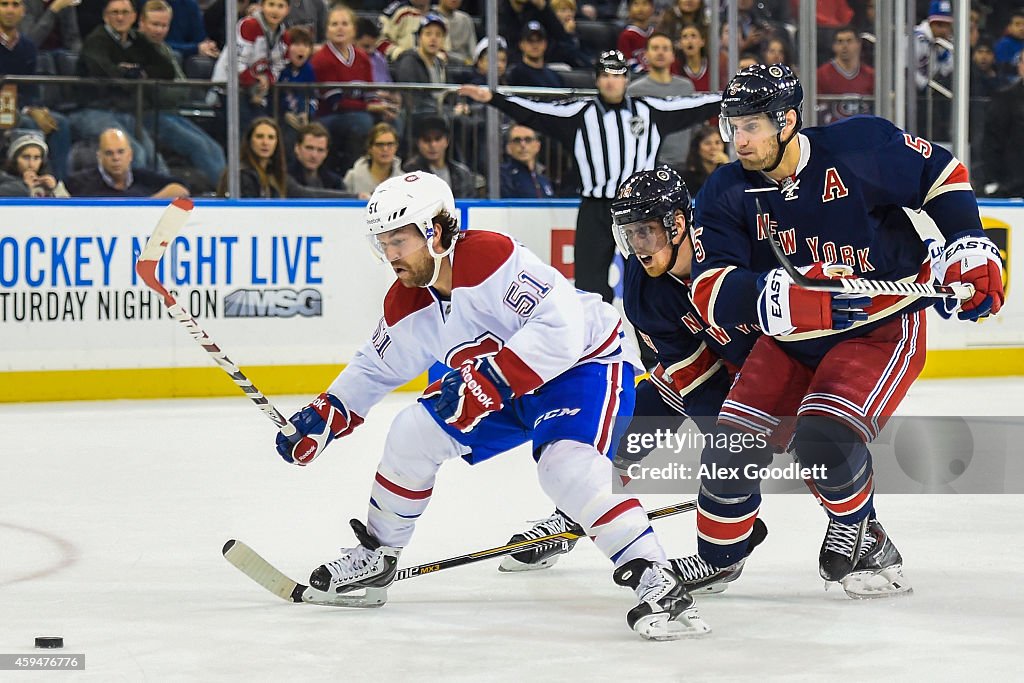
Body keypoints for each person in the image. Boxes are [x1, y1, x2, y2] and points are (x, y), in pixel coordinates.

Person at [274, 169, 711, 640]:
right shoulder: (407, 301)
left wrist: (488, 383)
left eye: (399, 240)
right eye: (383, 242)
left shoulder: (487, 256)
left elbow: (560, 329)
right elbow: (374, 367)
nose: (390, 254)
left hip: (581, 367)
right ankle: (378, 555)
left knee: (564, 466)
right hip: (502, 388)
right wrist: (326, 414)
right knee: (411, 434)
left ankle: (656, 578)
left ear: (435, 232)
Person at [687, 63, 1003, 597]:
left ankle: (865, 538)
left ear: (787, 121)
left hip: (876, 328)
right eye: (730, 127)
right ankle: (720, 559)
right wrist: (768, 294)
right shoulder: (725, 190)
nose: (737, 141)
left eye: (751, 127)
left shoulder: (858, 145)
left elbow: (942, 174)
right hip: (789, 339)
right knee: (728, 451)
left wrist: (967, 241)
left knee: (822, 436)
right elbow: (708, 287)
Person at [498, 166, 765, 582]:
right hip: (709, 372)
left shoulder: (730, 246)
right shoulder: (642, 287)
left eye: (647, 232)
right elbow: (697, 385)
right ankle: (575, 513)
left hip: (772, 366)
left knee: (816, 449)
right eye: (630, 234)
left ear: (678, 225)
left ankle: (863, 534)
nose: (639, 247)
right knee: (625, 432)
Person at [458, 49, 720, 303]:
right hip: (595, 208)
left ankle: (652, 347)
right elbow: (534, 111)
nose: (611, 80)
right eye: (605, 75)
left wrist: (731, 97)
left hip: (642, 210)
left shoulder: (649, 110)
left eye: (617, 74)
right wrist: (493, 98)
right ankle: (596, 344)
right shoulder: (579, 114)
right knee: (588, 284)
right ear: (597, 79)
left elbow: (694, 105)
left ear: (627, 79)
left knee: (648, 280)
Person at [137, 0, 227, 187]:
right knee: (199, 146)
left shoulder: (166, 50)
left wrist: (169, 90)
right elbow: (155, 93)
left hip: (170, 112)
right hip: (148, 115)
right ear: (142, 23)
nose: (159, 30)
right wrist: (170, 90)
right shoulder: (136, 48)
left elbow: (183, 88)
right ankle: (225, 193)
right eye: (154, 24)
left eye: (164, 25)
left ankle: (228, 191)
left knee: (214, 147)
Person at [312, 5, 393, 176]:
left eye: (344, 23)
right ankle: (355, 174)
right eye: (334, 24)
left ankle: (388, 174)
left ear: (353, 29)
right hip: (328, 116)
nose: (340, 28)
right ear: (326, 30)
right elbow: (336, 102)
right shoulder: (322, 59)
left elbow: (370, 93)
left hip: (358, 112)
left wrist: (382, 107)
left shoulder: (362, 56)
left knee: (393, 121)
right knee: (361, 121)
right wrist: (369, 108)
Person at [0, 0, 72, 179]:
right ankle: (24, 182)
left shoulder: (28, 46)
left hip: (17, 106)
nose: (10, 10)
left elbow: (30, 89)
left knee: (59, 123)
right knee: (29, 125)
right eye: (4, 4)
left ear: (23, 11)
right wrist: (28, 111)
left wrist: (36, 109)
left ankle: (57, 183)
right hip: (4, 108)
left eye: (15, 5)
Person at [216, 117, 351, 198]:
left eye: (271, 137)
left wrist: (356, 197)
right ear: (250, 140)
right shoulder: (241, 174)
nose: (265, 142)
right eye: (259, 137)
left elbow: (305, 194)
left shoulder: (275, 174)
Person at [210, 0, 290, 129]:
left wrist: (268, 79)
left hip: (256, 92)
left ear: (287, 10)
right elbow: (235, 62)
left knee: (265, 126)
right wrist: (255, 82)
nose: (275, 10)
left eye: (280, 6)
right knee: (248, 128)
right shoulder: (249, 25)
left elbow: (279, 64)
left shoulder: (284, 36)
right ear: (262, 6)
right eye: (271, 4)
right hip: (229, 88)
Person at [628, 32, 694, 175]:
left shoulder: (686, 87)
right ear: (646, 55)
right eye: (655, 48)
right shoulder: (634, 90)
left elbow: (694, 125)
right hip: (646, 166)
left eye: (665, 49)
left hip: (683, 165)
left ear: (673, 55)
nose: (660, 53)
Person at [66, 128, 189, 197]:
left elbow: (180, 189)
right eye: (109, 153)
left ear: (130, 155)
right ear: (100, 157)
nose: (116, 158)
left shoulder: (144, 178)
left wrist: (147, 205)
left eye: (120, 152)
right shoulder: (80, 183)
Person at [402, 114, 478, 198]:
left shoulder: (462, 173)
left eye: (437, 139)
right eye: (427, 140)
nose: (433, 145)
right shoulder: (409, 172)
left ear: (447, 141)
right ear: (418, 143)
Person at [981, 53, 1024, 198]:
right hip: (1013, 185)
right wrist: (992, 179)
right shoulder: (1005, 99)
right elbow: (992, 143)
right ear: (1020, 66)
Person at [391, 13, 448, 118]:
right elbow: (412, 97)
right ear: (419, 38)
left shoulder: (440, 64)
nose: (433, 39)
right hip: (418, 114)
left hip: (439, 112)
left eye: (438, 35)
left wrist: (459, 105)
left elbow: (449, 92)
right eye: (428, 34)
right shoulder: (408, 61)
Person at [816, 25, 875, 124]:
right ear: (833, 46)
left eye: (849, 41)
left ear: (858, 44)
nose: (844, 46)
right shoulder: (821, 74)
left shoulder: (871, 75)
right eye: (840, 41)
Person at [276, 25, 317, 140]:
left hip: (304, 120)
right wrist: (284, 114)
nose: (302, 49)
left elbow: (313, 97)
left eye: (306, 45)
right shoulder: (279, 70)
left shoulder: (310, 71)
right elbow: (272, 99)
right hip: (280, 120)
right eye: (297, 44)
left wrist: (307, 114)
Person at [343, 121, 403, 199]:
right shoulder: (352, 177)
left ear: (396, 147)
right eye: (379, 145)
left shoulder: (404, 180)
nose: (385, 149)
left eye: (390, 144)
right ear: (369, 148)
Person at [0, 133, 70, 196]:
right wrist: (24, 186)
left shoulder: (48, 183)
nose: (31, 164)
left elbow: (70, 208)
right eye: (26, 157)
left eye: (36, 158)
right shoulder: (3, 180)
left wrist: (56, 189)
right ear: (14, 160)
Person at [500, 123, 554, 198]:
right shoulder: (502, 177)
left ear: (537, 146)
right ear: (508, 148)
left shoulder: (544, 181)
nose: (523, 145)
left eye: (528, 140)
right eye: (517, 140)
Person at [287, 122, 345, 191]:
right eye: (309, 148)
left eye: (320, 150)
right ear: (297, 148)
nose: (314, 155)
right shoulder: (284, 177)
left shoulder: (335, 183)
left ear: (326, 153)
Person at [506, 20, 563, 88]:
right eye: (530, 41)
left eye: (539, 40)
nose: (535, 45)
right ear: (521, 45)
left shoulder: (555, 77)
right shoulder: (515, 75)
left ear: (545, 44)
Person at [678, 124, 726, 195]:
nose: (714, 147)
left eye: (717, 143)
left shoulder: (726, 172)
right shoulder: (686, 178)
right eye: (707, 143)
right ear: (697, 148)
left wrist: (727, 164)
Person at [432, 0, 474, 65]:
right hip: (438, 64)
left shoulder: (465, 19)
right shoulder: (429, 16)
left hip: (464, 69)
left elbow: (473, 52)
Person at [617, 0, 654, 72]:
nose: (640, 8)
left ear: (652, 8)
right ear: (629, 9)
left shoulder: (656, 34)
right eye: (636, 4)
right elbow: (627, 61)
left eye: (645, 4)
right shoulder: (626, 36)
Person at [672, 22, 709, 92]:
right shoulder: (674, 67)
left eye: (693, 36)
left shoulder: (714, 66)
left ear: (702, 42)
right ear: (680, 43)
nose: (689, 41)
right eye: (685, 37)